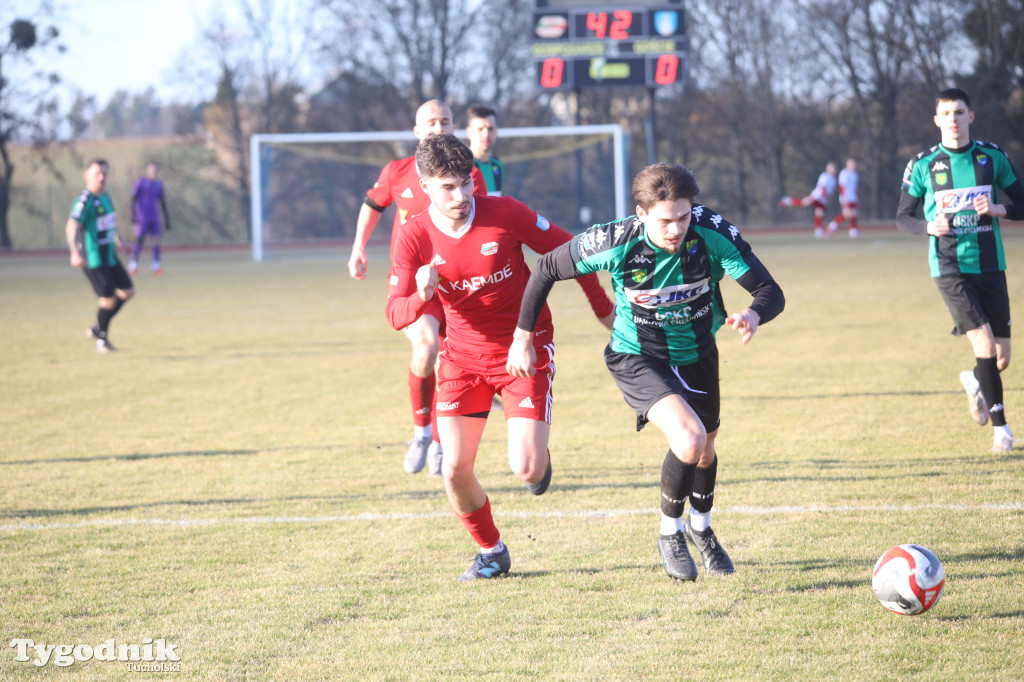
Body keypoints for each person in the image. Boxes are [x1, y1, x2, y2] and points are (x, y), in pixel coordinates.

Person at [508, 163, 785, 581]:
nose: (676, 229)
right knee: (689, 439)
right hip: (637, 355)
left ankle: (701, 528)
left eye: (683, 217)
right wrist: (522, 336)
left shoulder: (712, 232)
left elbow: (770, 291)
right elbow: (546, 267)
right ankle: (669, 533)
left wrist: (752, 314)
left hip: (698, 351)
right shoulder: (614, 240)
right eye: (664, 221)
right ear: (641, 214)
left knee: (706, 450)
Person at [385, 134, 614, 581]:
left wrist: (605, 311)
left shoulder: (504, 212)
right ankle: (492, 551)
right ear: (426, 186)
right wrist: (420, 297)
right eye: (447, 187)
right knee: (453, 469)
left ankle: (539, 463)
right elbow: (394, 311)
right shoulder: (414, 236)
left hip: (523, 348)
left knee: (527, 467)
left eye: (466, 183)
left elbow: (574, 252)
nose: (461, 196)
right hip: (462, 358)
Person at [348, 100, 488, 476]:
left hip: (458, 286)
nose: (438, 127)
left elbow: (485, 223)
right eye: (431, 121)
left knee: (450, 363)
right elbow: (372, 204)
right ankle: (421, 432)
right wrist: (359, 246)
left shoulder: (469, 175)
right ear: (417, 131)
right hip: (417, 285)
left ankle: (442, 443)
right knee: (427, 348)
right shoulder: (397, 172)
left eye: (445, 121)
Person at [897, 87, 1024, 453]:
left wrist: (998, 210)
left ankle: (974, 380)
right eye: (946, 113)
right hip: (949, 267)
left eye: (959, 112)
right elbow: (902, 217)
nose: (952, 119)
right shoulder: (922, 165)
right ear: (936, 120)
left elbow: (1022, 203)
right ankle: (1002, 430)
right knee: (983, 343)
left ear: (971, 116)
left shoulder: (992, 157)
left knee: (1000, 357)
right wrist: (927, 227)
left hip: (991, 264)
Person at [65, 159, 135, 353]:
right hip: (93, 257)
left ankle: (98, 328)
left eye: (105, 173)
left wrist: (120, 241)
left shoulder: (106, 197)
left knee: (128, 291)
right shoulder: (84, 200)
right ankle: (102, 340)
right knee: (108, 300)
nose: (102, 177)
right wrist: (74, 252)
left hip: (110, 256)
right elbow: (72, 225)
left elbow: (110, 225)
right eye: (97, 173)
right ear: (87, 175)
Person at [128, 162, 171, 275]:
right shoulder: (141, 183)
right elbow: (133, 199)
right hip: (142, 216)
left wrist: (167, 219)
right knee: (139, 240)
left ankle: (156, 266)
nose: (153, 172)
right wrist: (133, 215)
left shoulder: (159, 185)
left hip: (154, 216)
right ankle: (133, 265)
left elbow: (162, 203)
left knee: (156, 240)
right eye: (151, 170)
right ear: (148, 170)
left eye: (155, 170)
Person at [779, 162, 837, 239]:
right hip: (816, 196)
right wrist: (825, 195)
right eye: (831, 168)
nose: (833, 170)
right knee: (804, 203)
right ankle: (787, 200)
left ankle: (818, 231)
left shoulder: (834, 179)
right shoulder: (824, 176)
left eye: (834, 168)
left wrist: (827, 197)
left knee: (819, 213)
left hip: (823, 199)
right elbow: (822, 188)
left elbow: (830, 191)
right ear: (828, 169)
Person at [465, 104, 503, 196]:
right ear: (469, 132)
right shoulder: (461, 165)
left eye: (490, 129)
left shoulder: (497, 164)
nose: (486, 134)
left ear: (496, 131)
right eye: (480, 129)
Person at [827, 157, 859, 239]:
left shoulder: (855, 174)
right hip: (846, 197)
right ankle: (833, 225)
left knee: (854, 213)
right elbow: (842, 187)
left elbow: (855, 187)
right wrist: (844, 198)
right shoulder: (844, 173)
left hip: (853, 198)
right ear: (848, 164)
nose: (854, 165)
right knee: (846, 214)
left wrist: (857, 197)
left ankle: (853, 230)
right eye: (852, 163)